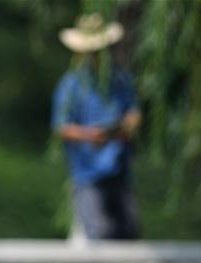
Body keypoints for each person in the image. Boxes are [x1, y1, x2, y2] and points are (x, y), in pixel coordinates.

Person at [52, 13, 142, 241]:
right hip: (88, 172)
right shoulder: (72, 85)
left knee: (128, 231)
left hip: (119, 168)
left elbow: (133, 112)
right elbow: (61, 126)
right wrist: (90, 135)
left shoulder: (121, 80)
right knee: (99, 231)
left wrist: (126, 126)